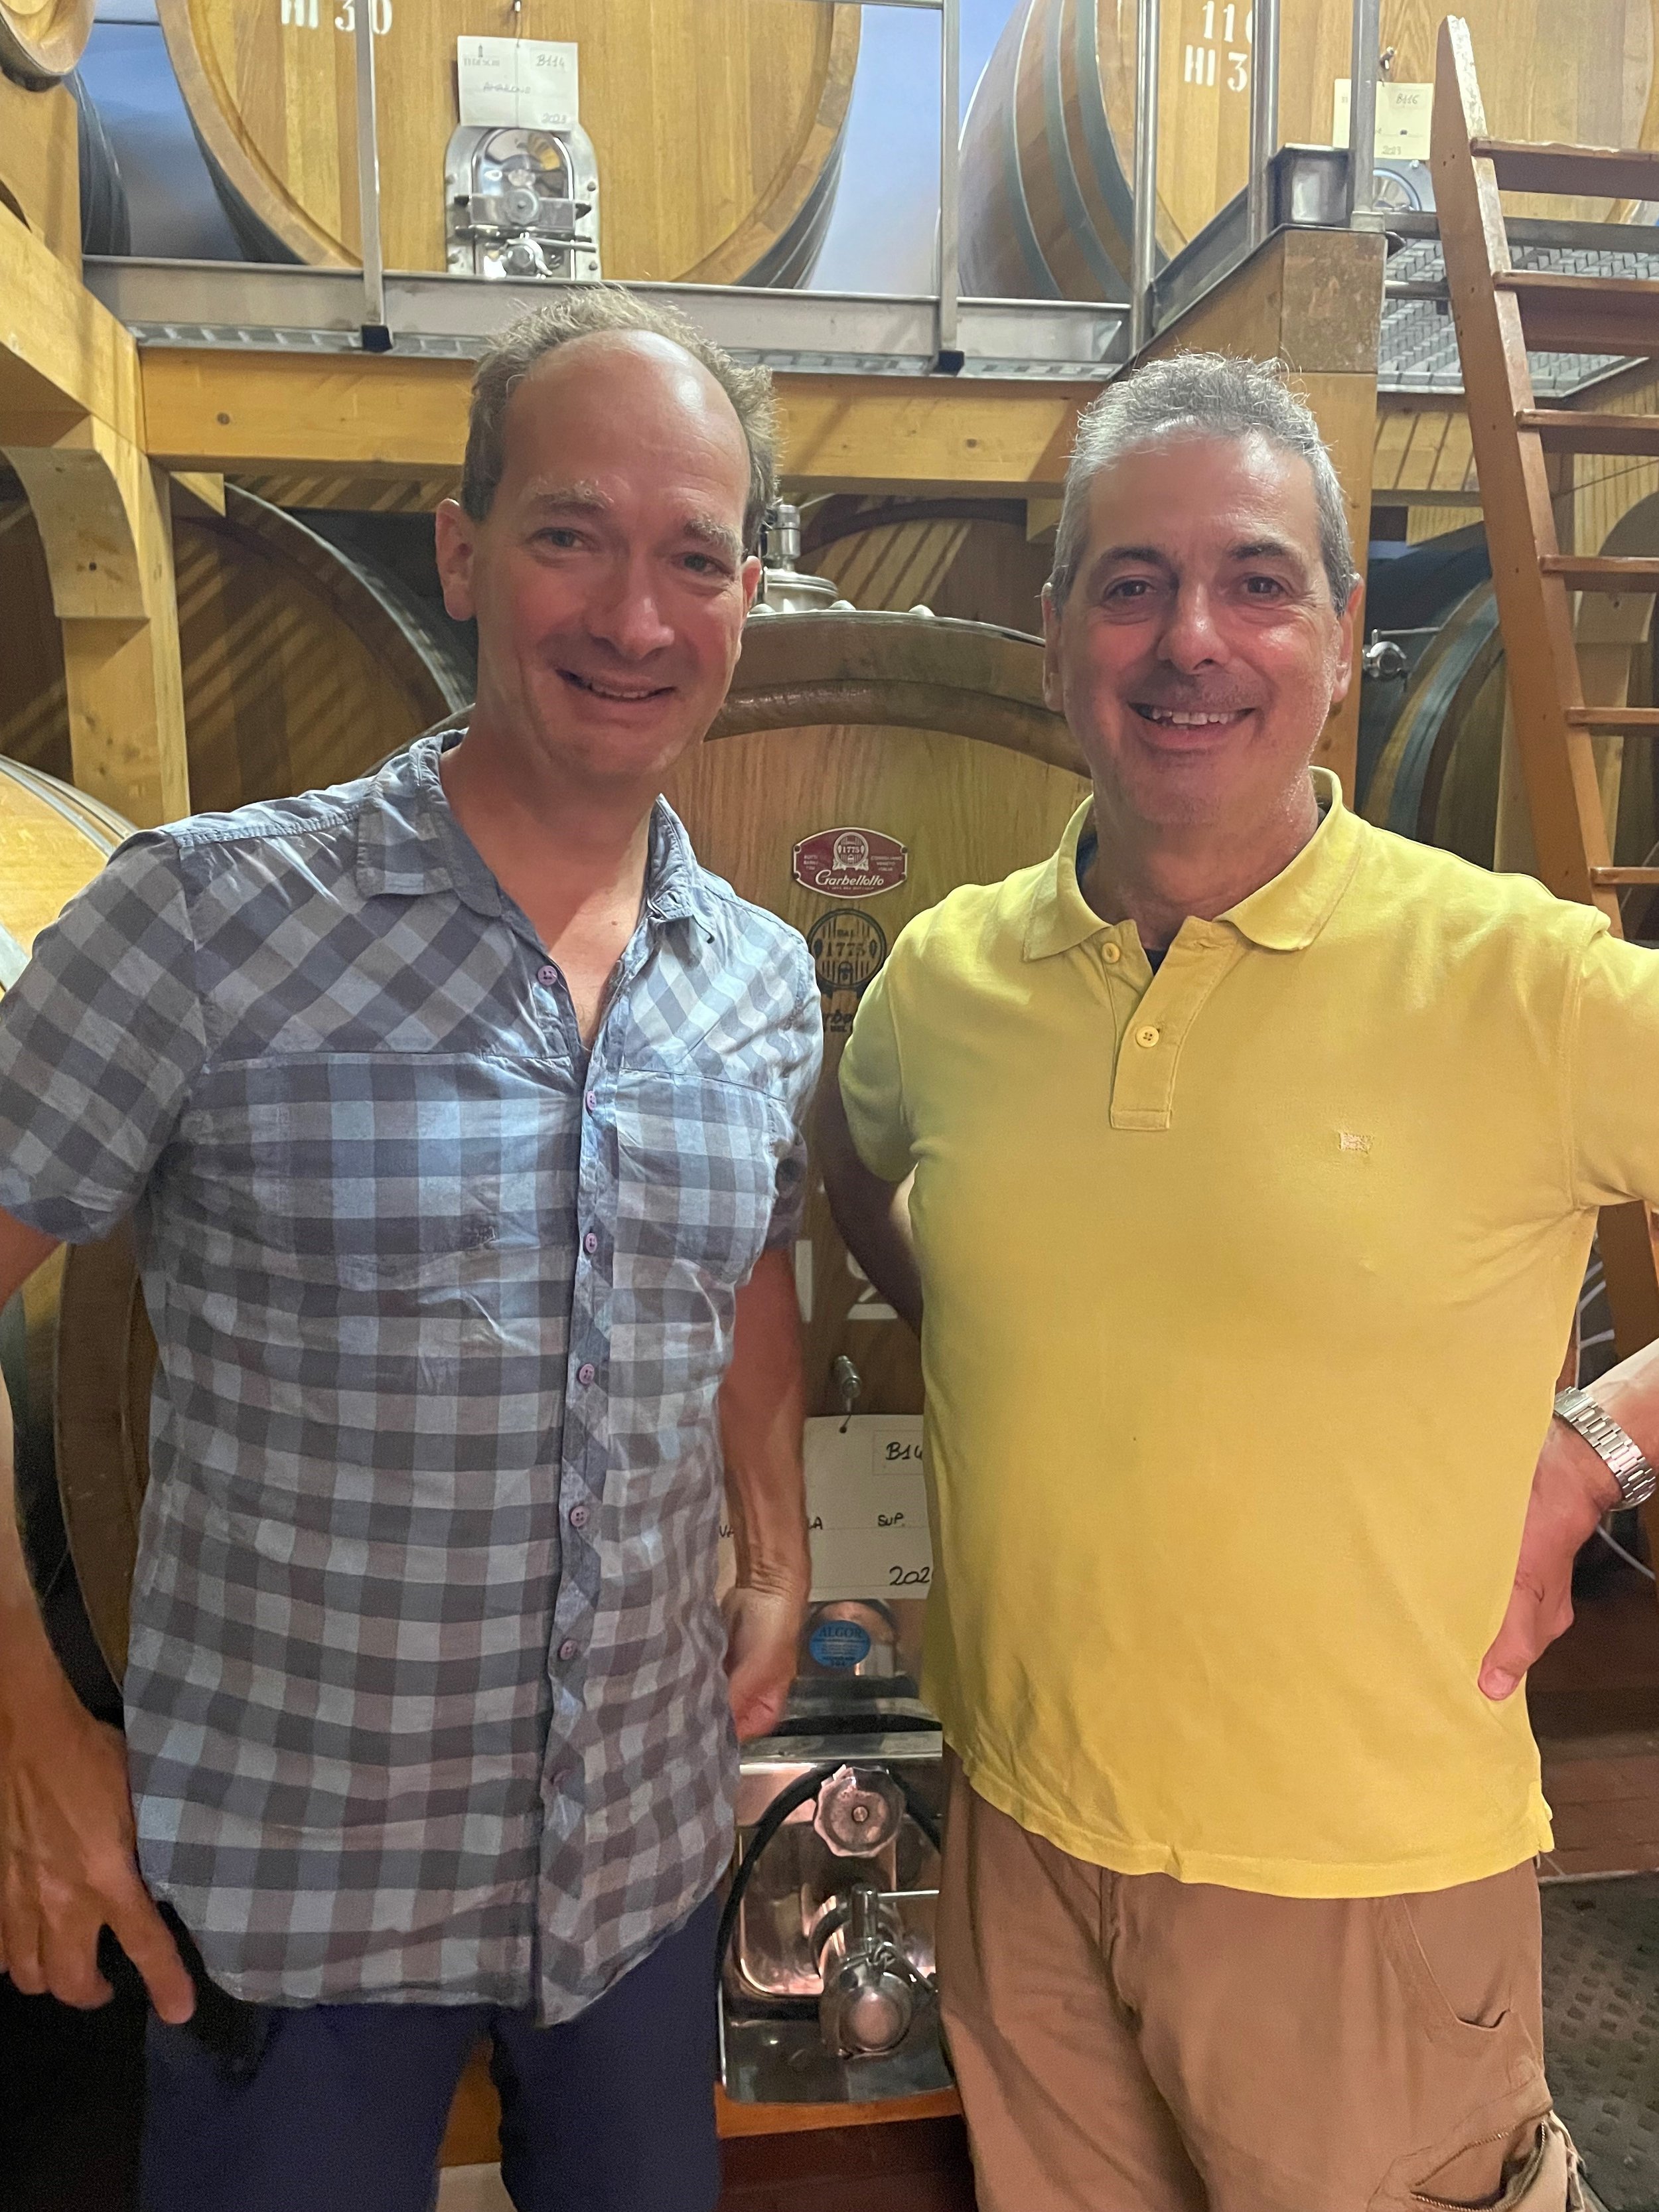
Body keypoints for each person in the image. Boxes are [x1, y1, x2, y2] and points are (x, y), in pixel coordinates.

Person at [0, 289, 821, 2212]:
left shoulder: (760, 980)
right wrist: (29, 1729)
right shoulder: (203, 923)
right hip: (295, 1906)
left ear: (745, 595)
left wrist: (776, 1547)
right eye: (570, 535)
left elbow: (747, 1272)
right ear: (460, 552)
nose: (634, 617)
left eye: (693, 557)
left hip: (633, 1877)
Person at [820, 350, 1658, 2211]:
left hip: (1360, 1885)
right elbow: (855, 1160)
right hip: (1024, 1834)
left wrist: (1603, 1442)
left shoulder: (1517, 978)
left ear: (1343, 636)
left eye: (1256, 582)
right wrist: (987, 1331)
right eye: (1131, 583)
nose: (1188, 638)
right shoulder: (946, 978)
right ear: (1056, 633)